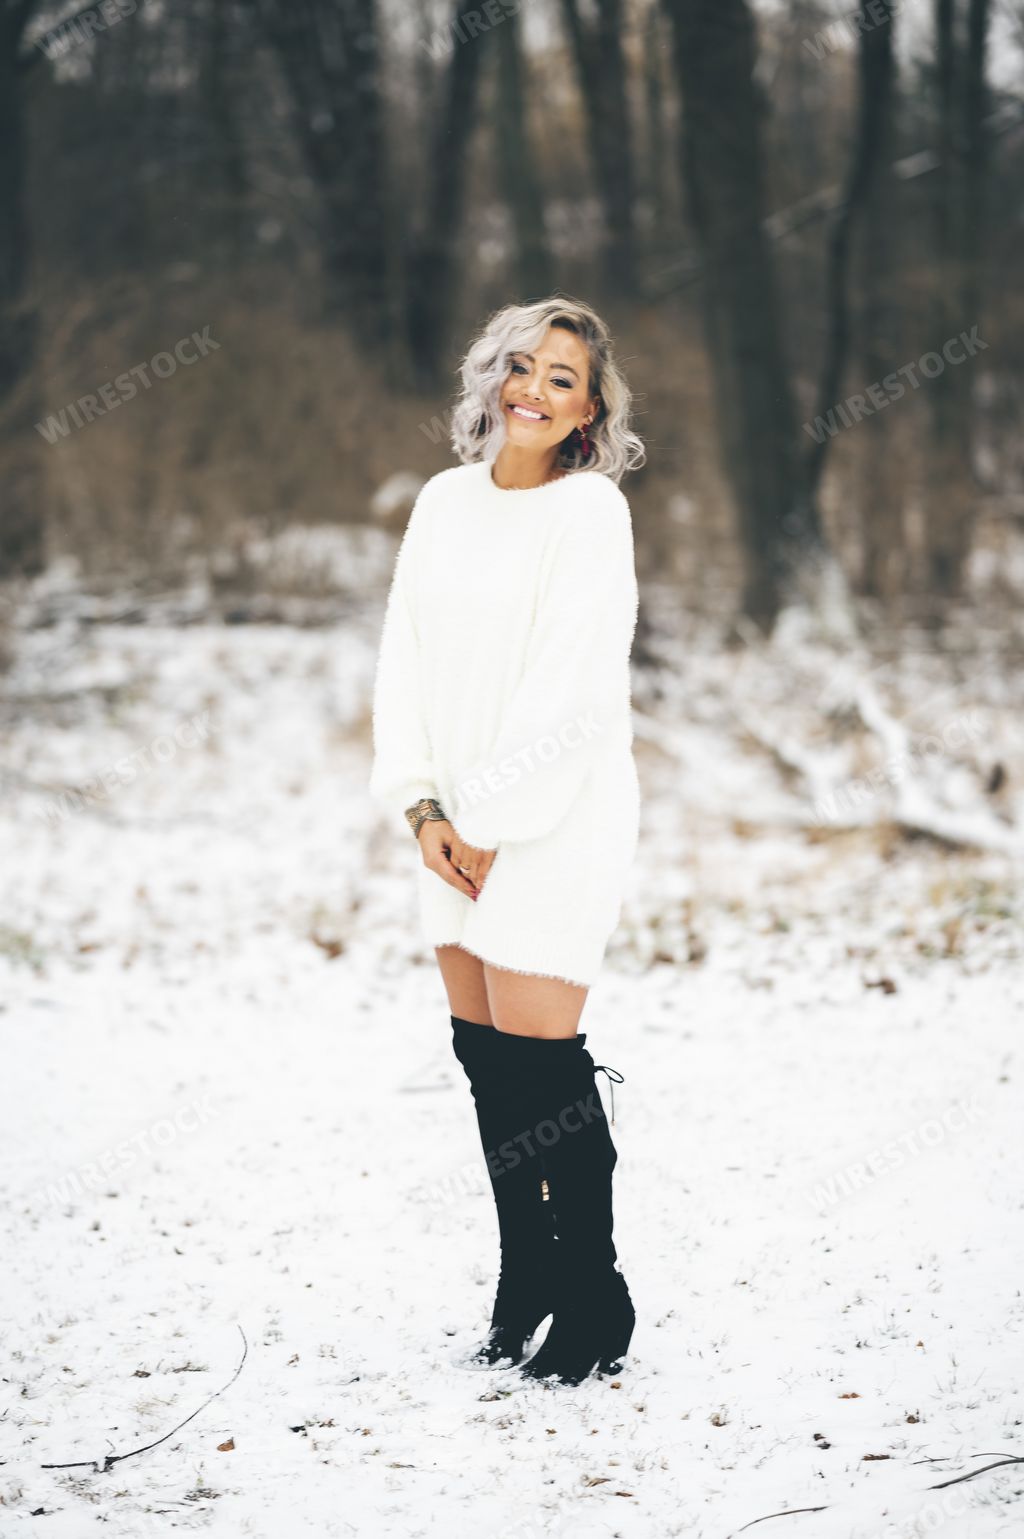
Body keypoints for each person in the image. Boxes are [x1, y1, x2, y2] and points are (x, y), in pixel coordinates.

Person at [368, 295, 645, 1385]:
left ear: (587, 410)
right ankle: (525, 1273)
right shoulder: (441, 503)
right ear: (491, 375)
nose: (533, 388)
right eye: (520, 365)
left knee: (544, 1070)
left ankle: (596, 1294)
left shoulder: (588, 515)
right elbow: (404, 663)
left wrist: (486, 824)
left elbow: (570, 690)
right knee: (489, 1067)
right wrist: (425, 809)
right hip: (451, 834)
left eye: (561, 378)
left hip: (552, 820)